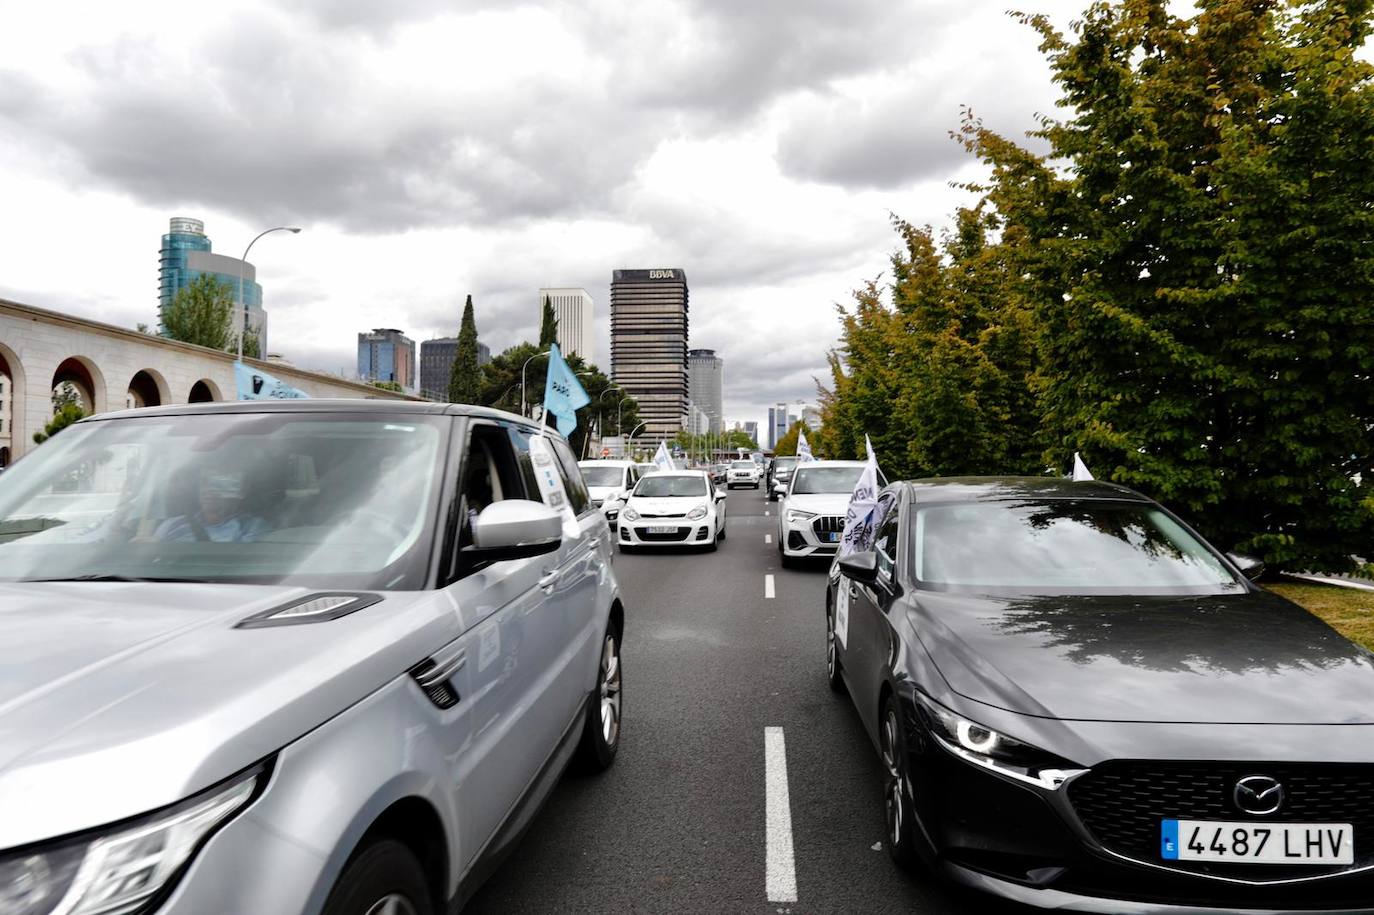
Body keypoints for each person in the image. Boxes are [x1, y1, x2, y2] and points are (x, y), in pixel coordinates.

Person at [154, 468, 268, 543]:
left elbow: (241, 564)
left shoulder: (251, 527)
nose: (208, 490)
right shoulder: (171, 525)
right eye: (204, 483)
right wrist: (147, 548)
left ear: (242, 491)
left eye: (219, 484)